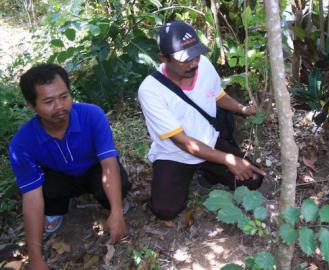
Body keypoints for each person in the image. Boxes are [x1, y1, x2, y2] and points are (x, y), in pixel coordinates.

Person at [138, 20, 266, 220]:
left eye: (196, 55)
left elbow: (217, 95)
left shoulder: (203, 65)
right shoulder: (150, 90)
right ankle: (193, 172)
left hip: (209, 141)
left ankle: (208, 172)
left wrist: (243, 109)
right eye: (185, 59)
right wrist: (227, 159)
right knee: (165, 210)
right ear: (163, 58)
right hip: (174, 154)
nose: (194, 63)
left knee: (254, 179)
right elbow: (182, 142)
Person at [9, 64, 131, 269]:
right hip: (59, 177)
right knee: (41, 188)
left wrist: (117, 212)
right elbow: (31, 196)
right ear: (31, 105)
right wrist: (36, 259)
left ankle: (111, 204)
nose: (59, 106)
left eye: (64, 97)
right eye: (48, 101)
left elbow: (108, 162)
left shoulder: (92, 115)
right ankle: (56, 210)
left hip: (94, 170)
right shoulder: (21, 143)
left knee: (120, 181)